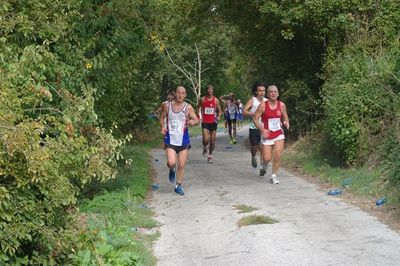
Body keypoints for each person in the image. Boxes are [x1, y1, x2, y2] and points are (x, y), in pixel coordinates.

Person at [159, 86, 199, 195]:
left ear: (185, 95)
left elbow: (197, 120)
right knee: (172, 162)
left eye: (182, 93)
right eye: (178, 93)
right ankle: (171, 169)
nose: (180, 95)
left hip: (183, 140)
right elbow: (161, 118)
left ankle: (178, 185)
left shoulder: (188, 107)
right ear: (175, 93)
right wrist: (162, 127)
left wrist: (193, 122)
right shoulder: (167, 106)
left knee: (181, 164)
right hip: (171, 139)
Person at [253, 85, 289, 184]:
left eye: (275, 92)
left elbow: (285, 117)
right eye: (271, 92)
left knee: (277, 153)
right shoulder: (263, 105)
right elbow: (255, 119)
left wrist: (286, 122)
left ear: (278, 94)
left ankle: (273, 175)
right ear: (268, 94)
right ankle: (264, 166)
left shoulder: (281, 105)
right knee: (267, 158)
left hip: (278, 133)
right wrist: (262, 129)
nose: (273, 93)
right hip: (267, 135)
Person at [243, 83, 267, 173]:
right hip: (253, 126)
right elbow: (244, 111)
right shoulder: (252, 100)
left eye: (263, 90)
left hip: (264, 127)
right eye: (260, 90)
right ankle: (253, 156)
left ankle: (262, 167)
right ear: (256, 92)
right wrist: (255, 113)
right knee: (254, 147)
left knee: (263, 147)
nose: (262, 92)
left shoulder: (267, 101)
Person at [198, 85, 222, 163]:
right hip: (205, 122)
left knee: (212, 141)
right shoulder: (202, 99)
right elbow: (198, 108)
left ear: (213, 91)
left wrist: (218, 116)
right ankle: (205, 147)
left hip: (213, 122)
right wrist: (198, 116)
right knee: (206, 139)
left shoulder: (216, 100)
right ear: (207, 90)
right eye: (208, 89)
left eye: (211, 89)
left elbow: (219, 111)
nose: (209, 91)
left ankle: (210, 155)